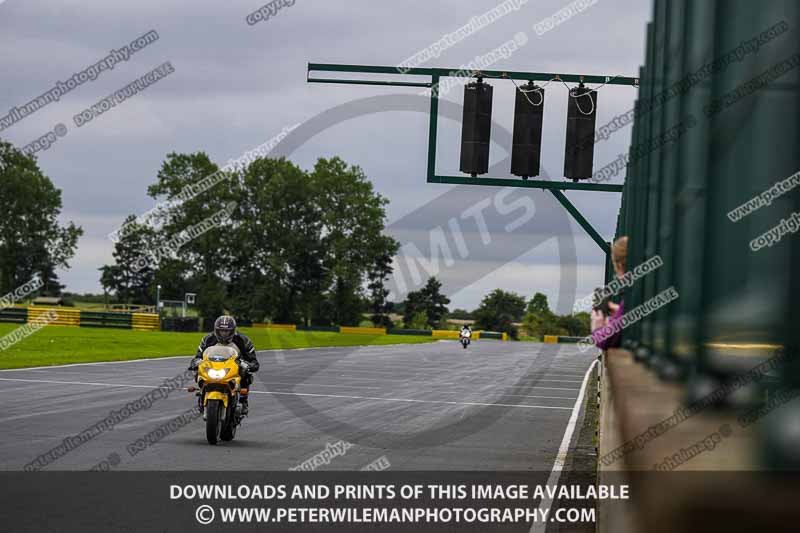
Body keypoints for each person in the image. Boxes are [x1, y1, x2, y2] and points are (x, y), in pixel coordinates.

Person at [189, 315, 259, 414]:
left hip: (234, 367)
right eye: (221, 331)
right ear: (216, 330)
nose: (224, 334)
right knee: (198, 369)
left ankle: (243, 400)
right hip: (214, 366)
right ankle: (201, 394)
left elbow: (254, 363)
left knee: (246, 373)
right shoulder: (208, 339)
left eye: (227, 331)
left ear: (233, 331)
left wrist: (247, 364)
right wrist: (196, 362)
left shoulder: (243, 340)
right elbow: (198, 356)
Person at [590, 236, 627, 350]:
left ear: (620, 265)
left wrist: (597, 327)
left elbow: (605, 341)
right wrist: (618, 311)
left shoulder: (631, 297)